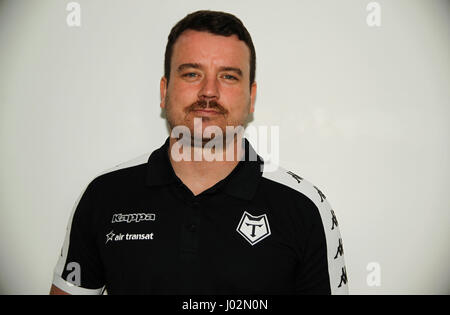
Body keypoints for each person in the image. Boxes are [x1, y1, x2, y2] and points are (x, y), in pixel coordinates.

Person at [50, 10, 348, 295]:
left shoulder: (305, 208)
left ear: (251, 97)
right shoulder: (104, 196)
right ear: (164, 91)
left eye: (228, 76)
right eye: (192, 74)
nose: (209, 91)